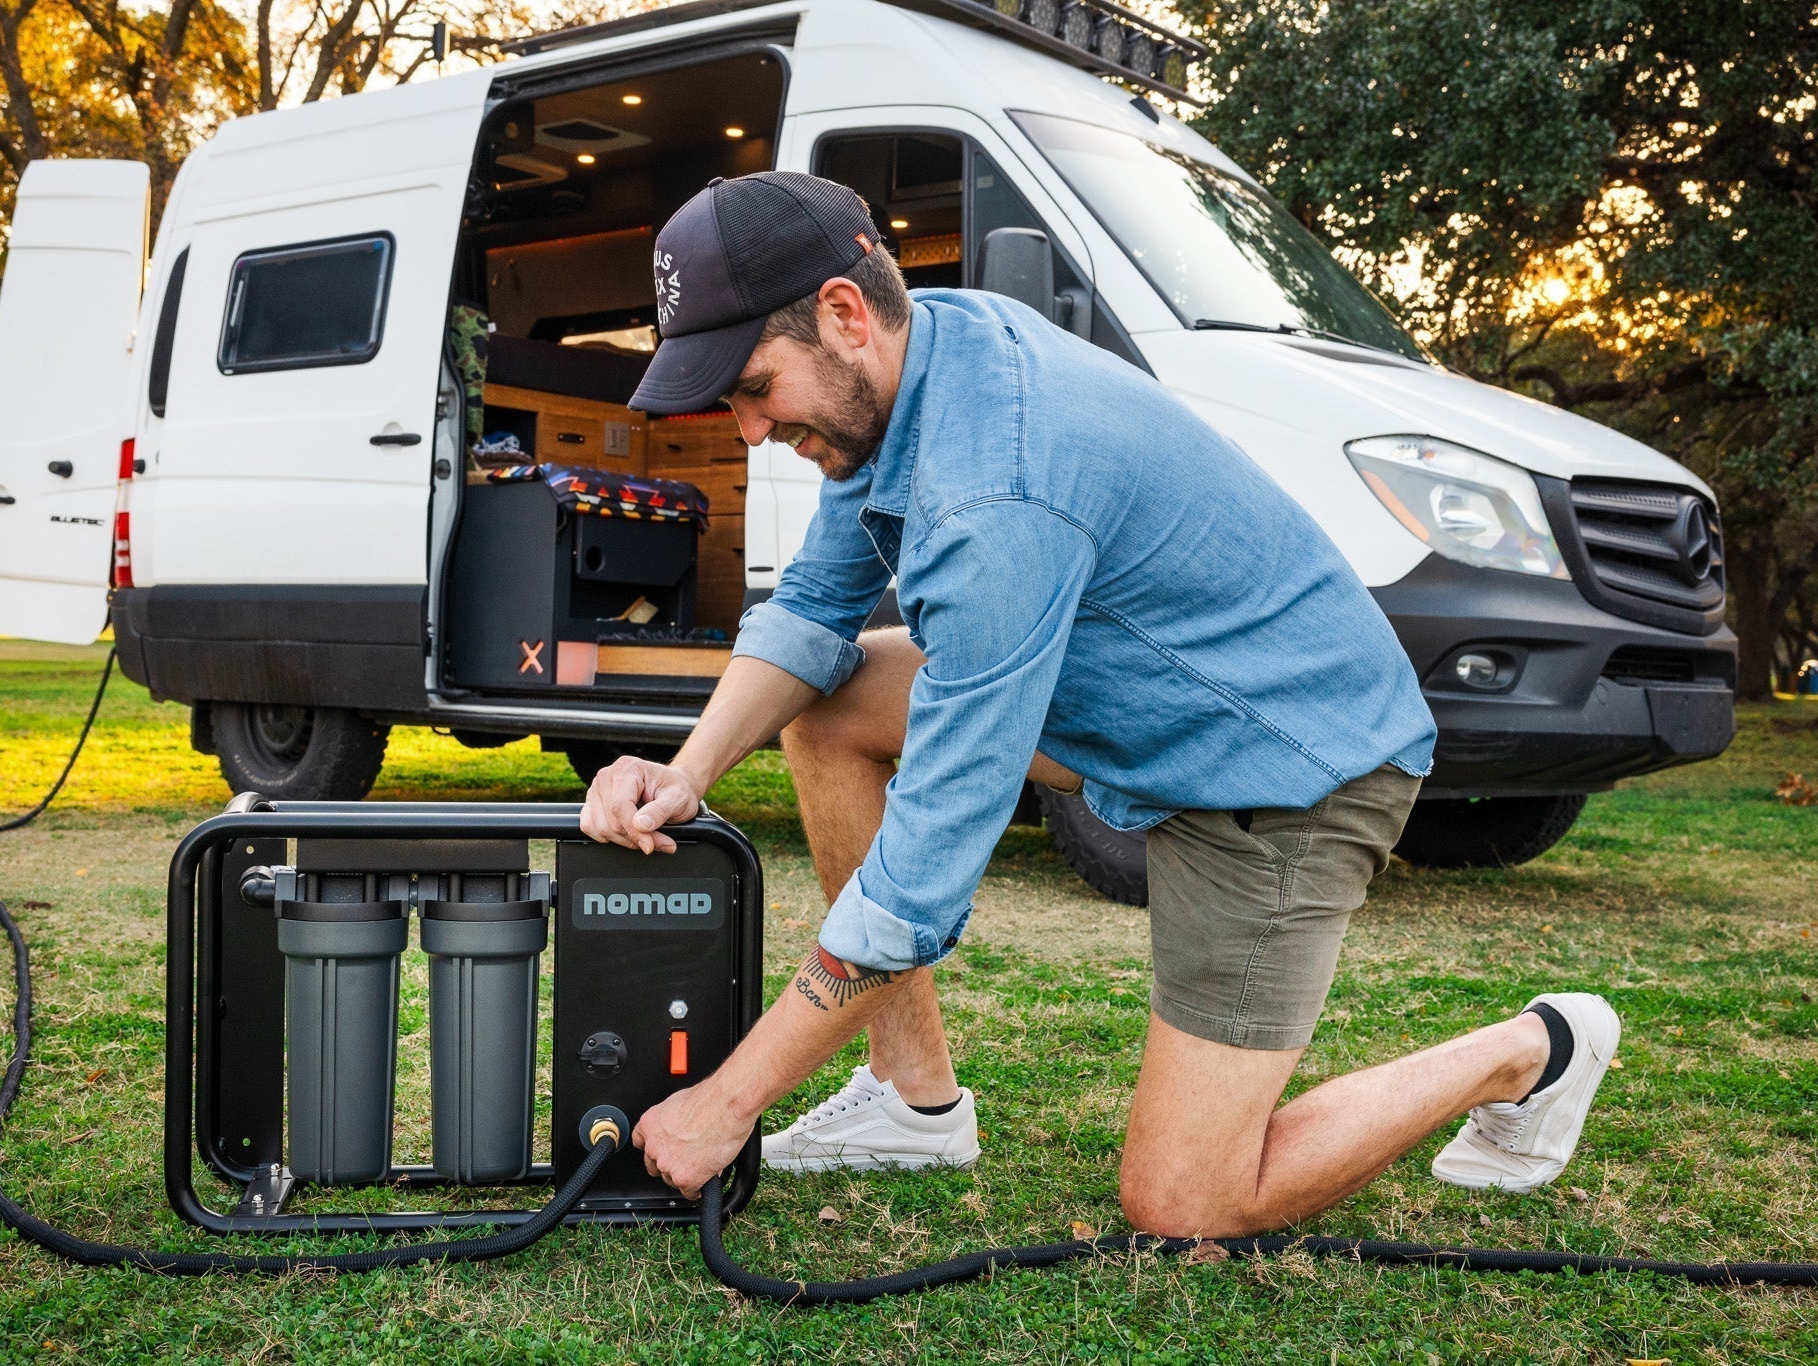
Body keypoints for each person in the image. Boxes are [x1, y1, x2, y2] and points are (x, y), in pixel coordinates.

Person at [580, 172, 1621, 1236]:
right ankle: (910, 1103)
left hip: (1283, 762)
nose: (749, 429)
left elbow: (920, 873)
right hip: (1152, 702)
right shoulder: (917, 361)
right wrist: (687, 769)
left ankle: (1530, 1050)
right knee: (832, 704)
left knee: (1184, 1202)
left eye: (754, 387)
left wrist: (726, 1102)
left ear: (845, 315)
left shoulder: (995, 492)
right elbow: (812, 607)